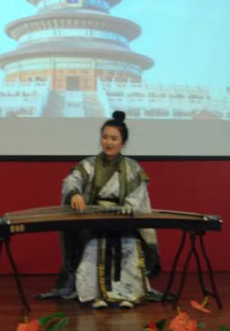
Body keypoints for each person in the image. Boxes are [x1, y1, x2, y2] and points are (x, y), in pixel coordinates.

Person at [59, 110, 160, 308]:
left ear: (123, 142)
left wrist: (128, 207)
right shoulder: (88, 164)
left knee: (129, 245)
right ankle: (95, 295)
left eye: (114, 138)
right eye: (105, 137)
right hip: (94, 219)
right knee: (92, 246)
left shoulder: (132, 167)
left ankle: (128, 294)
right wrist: (75, 193)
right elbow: (72, 179)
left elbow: (138, 192)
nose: (109, 142)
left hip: (122, 219)